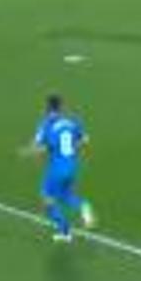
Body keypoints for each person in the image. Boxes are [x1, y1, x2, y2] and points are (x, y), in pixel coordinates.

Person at [22, 95, 96, 243]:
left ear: (47, 108)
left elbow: (39, 147)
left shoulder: (46, 125)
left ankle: (64, 230)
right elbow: (85, 140)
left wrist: (27, 152)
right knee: (65, 195)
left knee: (47, 200)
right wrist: (71, 148)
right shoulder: (72, 122)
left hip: (56, 168)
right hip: (72, 166)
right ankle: (83, 206)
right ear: (61, 107)